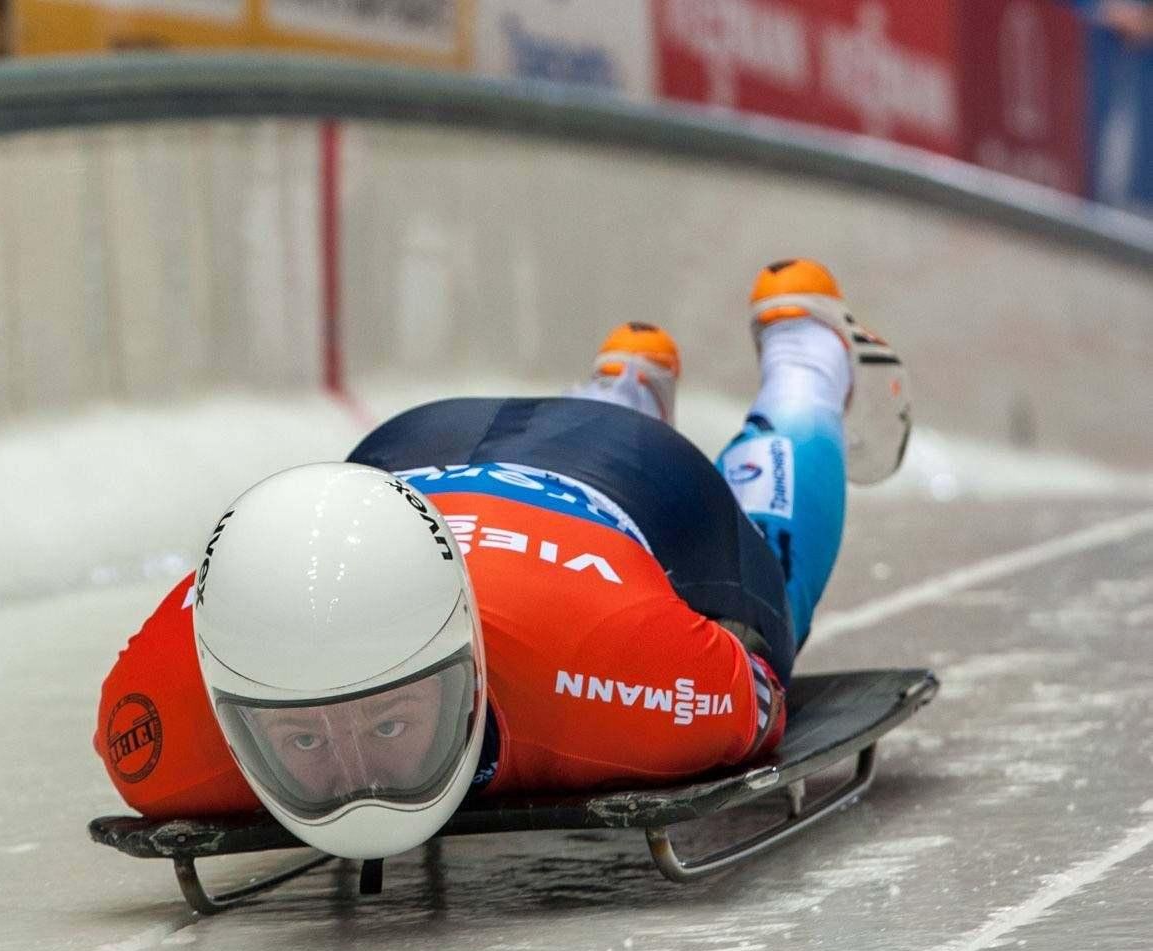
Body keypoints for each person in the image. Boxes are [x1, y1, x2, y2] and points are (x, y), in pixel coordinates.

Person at [94, 259, 910, 860]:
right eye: (302, 743)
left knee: (766, 595)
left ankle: (807, 361)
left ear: (470, 663)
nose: (357, 776)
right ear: (230, 710)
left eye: (390, 722)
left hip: (634, 475)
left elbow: (749, 696)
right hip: (411, 451)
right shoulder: (162, 713)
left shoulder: (630, 672)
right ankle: (622, 382)